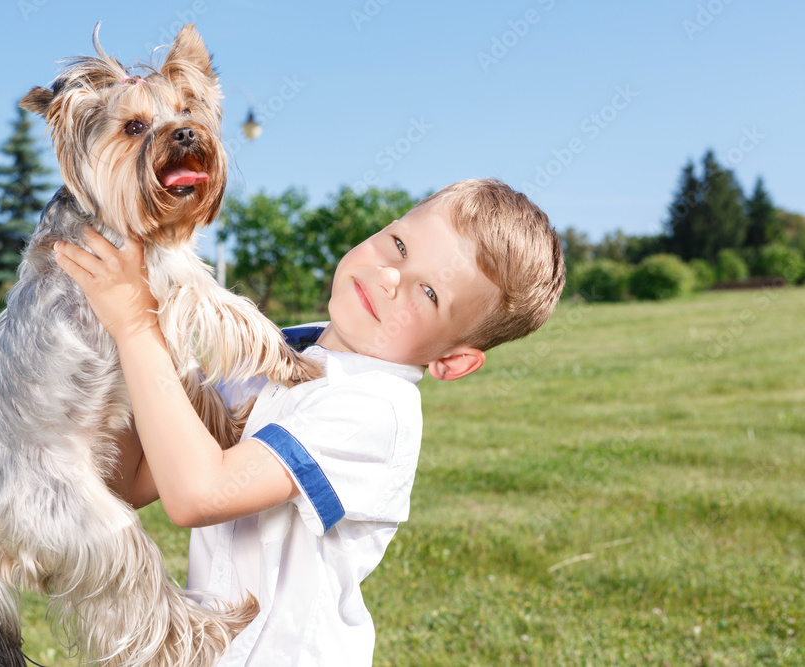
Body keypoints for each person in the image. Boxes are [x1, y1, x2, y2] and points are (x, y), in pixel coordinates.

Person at [53, 178, 565, 665]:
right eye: (399, 245)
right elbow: (131, 480)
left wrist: (135, 327)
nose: (389, 278)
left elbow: (198, 494)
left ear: (452, 361)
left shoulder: (375, 407)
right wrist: (114, 336)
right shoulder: (279, 354)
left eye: (428, 293)